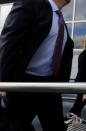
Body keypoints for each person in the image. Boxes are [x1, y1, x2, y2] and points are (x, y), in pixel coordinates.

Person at [0, 0, 74, 130]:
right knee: (17, 126)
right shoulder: (30, 4)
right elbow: (8, 42)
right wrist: (3, 81)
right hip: (25, 85)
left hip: (50, 87)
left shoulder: (60, 20)